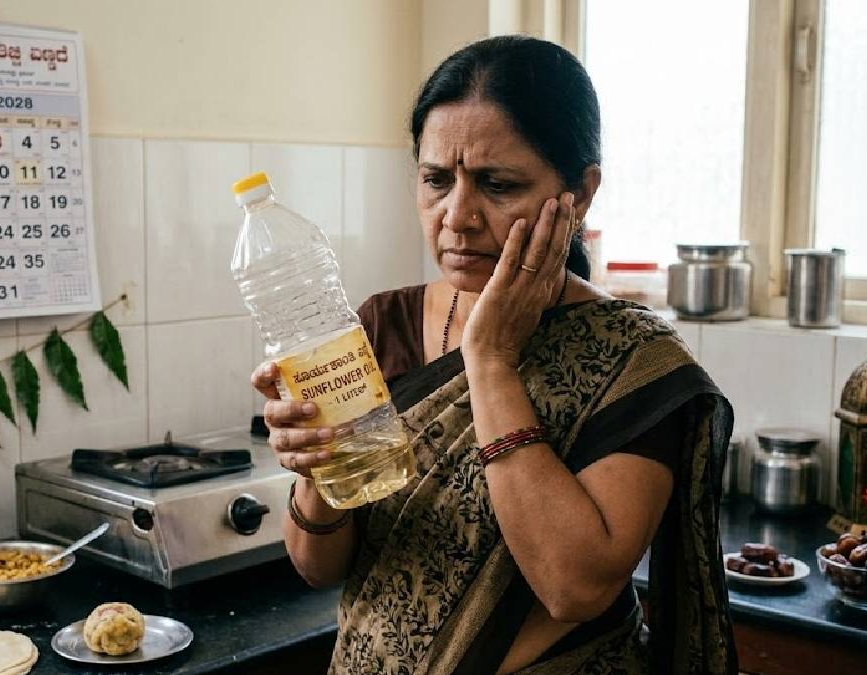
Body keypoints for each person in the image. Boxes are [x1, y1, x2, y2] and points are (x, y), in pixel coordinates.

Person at [251, 36, 737, 674]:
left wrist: (489, 360)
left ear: (581, 193)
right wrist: (318, 471)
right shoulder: (381, 325)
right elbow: (317, 567)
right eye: (435, 181)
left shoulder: (633, 362)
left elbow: (574, 587)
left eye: (497, 184)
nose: (456, 217)